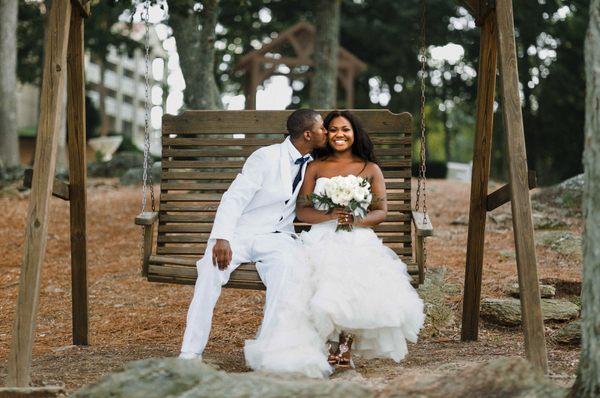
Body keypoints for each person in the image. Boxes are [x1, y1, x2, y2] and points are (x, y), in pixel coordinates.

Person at [178, 109, 329, 370]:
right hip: (241, 234)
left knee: (286, 273)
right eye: (322, 128)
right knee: (210, 272)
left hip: (277, 237)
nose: (326, 132)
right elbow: (234, 197)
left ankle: (268, 352)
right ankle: (190, 353)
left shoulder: (314, 163)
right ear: (307, 134)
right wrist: (222, 238)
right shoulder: (266, 157)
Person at [297, 110, 425, 368]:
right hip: (321, 235)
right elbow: (302, 210)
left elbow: (380, 211)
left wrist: (353, 220)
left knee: (353, 271)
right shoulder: (315, 167)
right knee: (321, 273)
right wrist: (330, 216)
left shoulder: (370, 169)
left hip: (357, 235)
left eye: (345, 129)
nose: (339, 135)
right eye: (333, 129)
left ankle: (344, 344)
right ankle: (327, 344)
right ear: (326, 134)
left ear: (355, 134)